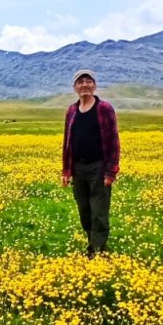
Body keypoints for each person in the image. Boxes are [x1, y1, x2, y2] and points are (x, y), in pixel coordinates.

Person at [60, 69, 120, 257]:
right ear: (75, 87)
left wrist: (111, 172)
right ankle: (91, 243)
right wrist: (66, 170)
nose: (84, 85)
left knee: (99, 211)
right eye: (80, 82)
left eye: (88, 81)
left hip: (99, 167)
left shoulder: (104, 108)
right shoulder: (71, 110)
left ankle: (98, 250)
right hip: (79, 168)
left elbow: (114, 142)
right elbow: (67, 142)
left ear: (94, 85)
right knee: (84, 210)